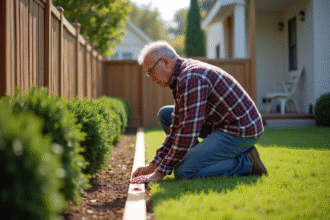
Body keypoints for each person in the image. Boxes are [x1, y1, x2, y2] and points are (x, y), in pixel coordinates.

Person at [130, 41, 267, 184]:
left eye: (151, 72)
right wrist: (153, 165)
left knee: (184, 171)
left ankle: (247, 162)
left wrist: (159, 173)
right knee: (166, 114)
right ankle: (198, 159)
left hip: (241, 129)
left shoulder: (191, 78)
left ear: (165, 62)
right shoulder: (181, 78)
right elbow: (177, 126)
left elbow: (187, 132)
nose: (151, 79)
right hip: (220, 123)